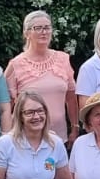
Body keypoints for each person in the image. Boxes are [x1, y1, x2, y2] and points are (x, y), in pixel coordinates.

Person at [5, 10, 76, 142]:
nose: (44, 32)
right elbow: (6, 106)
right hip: (26, 139)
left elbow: (71, 97)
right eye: (38, 28)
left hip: (59, 138)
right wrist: (6, 136)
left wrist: (75, 126)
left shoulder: (63, 59)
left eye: (47, 27)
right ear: (26, 33)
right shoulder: (15, 65)